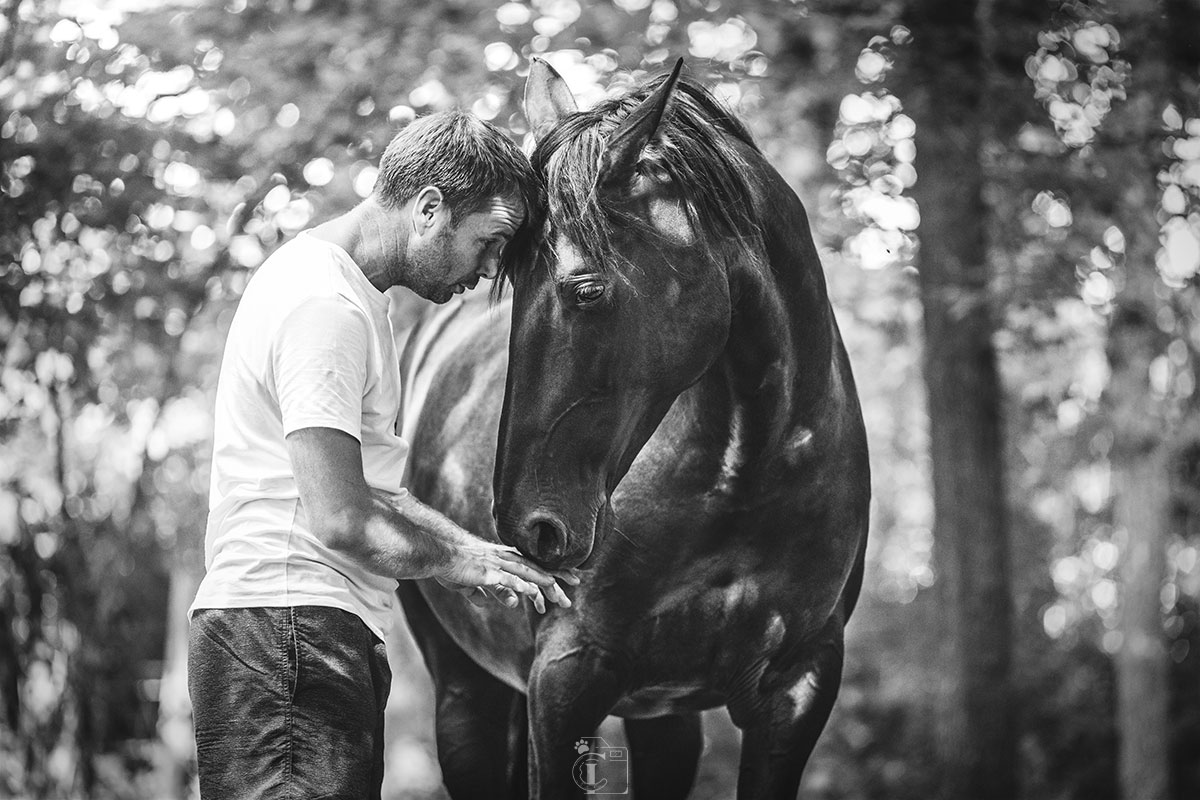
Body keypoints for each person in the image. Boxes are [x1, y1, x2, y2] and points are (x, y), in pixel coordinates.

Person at [187, 111, 571, 800]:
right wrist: (461, 563)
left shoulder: (354, 300)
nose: (488, 272)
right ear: (429, 209)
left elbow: (375, 493)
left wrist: (483, 555)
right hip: (286, 634)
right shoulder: (323, 307)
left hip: (305, 632)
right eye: (489, 243)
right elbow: (341, 518)